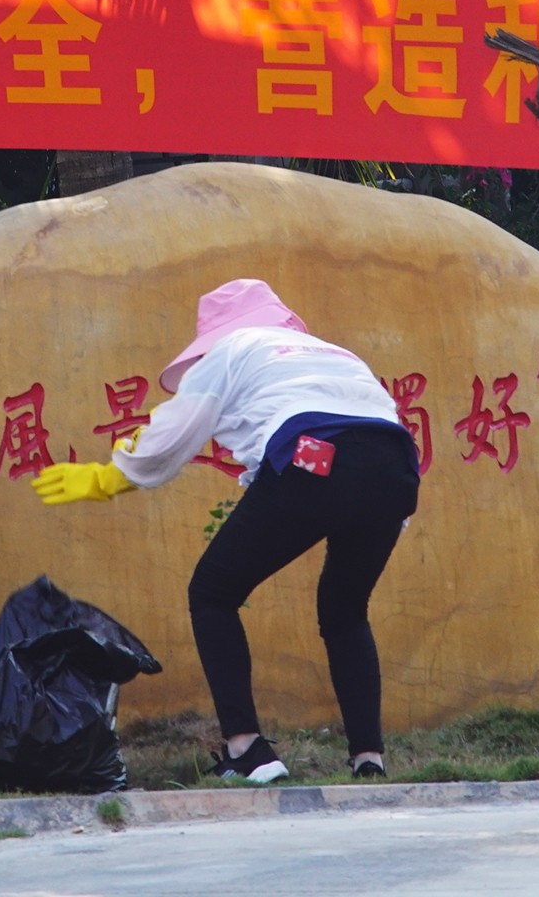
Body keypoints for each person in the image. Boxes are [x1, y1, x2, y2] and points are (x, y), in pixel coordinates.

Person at [33, 278, 421, 783]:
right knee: (345, 611)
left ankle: (248, 749)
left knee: (213, 592)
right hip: (396, 472)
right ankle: (369, 759)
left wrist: (111, 477)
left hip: (313, 458)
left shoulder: (233, 348)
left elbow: (176, 431)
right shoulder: (335, 354)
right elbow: (376, 436)